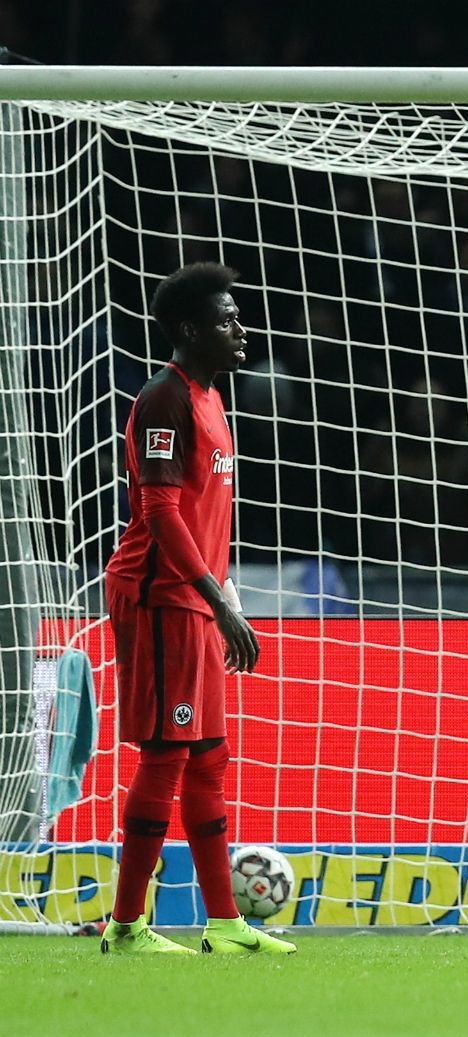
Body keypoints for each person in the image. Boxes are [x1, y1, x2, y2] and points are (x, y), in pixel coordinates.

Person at [98, 263, 289, 956]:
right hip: (159, 596)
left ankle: (227, 923)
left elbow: (209, 519)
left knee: (209, 756)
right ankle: (125, 927)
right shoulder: (163, 399)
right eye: (226, 319)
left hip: (196, 596)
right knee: (168, 752)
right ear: (187, 329)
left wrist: (224, 596)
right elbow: (159, 509)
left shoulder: (209, 399)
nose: (241, 330)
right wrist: (216, 600)